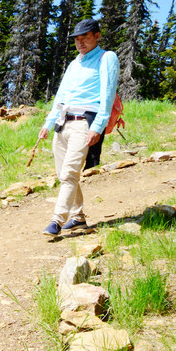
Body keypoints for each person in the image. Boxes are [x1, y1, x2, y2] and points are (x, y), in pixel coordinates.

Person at [39, 18, 119, 237]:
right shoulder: (75, 63)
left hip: (85, 122)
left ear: (97, 36)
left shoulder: (107, 58)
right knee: (62, 174)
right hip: (64, 122)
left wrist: (98, 126)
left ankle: (56, 221)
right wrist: (48, 123)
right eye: (77, 38)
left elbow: (108, 95)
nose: (80, 42)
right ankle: (78, 218)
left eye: (85, 37)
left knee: (69, 173)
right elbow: (62, 95)